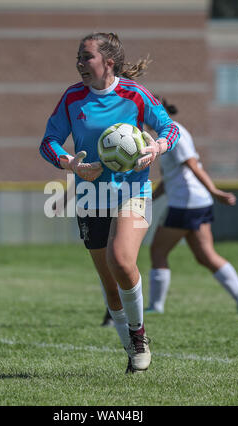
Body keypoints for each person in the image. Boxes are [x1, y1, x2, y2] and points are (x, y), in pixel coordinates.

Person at [39, 32, 180, 373]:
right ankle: (132, 350)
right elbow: (49, 142)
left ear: (108, 62)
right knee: (110, 286)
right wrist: (72, 164)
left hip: (133, 192)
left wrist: (155, 148)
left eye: (86, 57)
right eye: (78, 56)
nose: (80, 63)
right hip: (90, 196)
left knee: (121, 259)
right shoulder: (73, 98)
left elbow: (169, 128)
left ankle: (140, 335)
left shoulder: (135, 94)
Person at [145, 97, 238, 315]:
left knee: (158, 251)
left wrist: (215, 191)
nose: (144, 118)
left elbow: (193, 166)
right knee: (205, 256)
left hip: (186, 203)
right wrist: (149, 199)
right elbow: (170, 178)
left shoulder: (176, 134)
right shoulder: (165, 137)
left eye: (147, 112)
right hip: (196, 202)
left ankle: (156, 307)